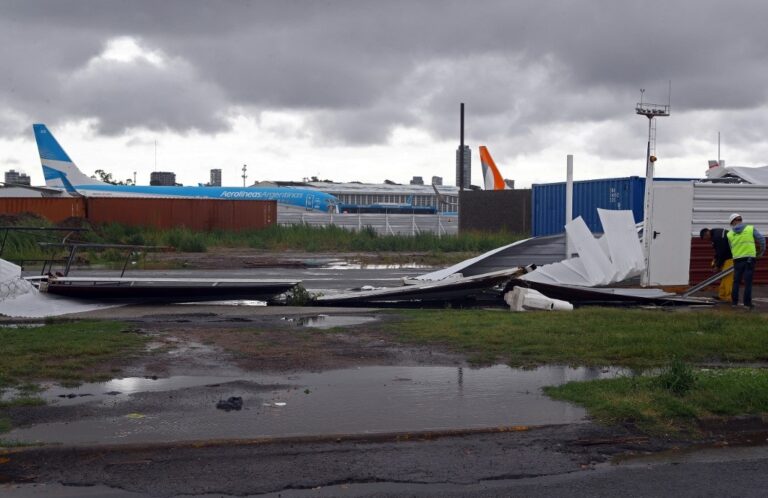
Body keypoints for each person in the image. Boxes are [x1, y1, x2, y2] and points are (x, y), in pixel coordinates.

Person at [726, 213, 766, 309]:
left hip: (737, 259)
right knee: (748, 282)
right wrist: (760, 253)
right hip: (749, 259)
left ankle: (734, 303)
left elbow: (731, 248)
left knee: (736, 282)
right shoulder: (750, 228)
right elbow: (762, 240)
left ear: (732, 223)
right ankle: (747, 304)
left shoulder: (729, 234)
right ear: (740, 220)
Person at [699, 227, 733, 301]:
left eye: (706, 239)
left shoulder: (718, 237)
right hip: (727, 256)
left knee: (728, 278)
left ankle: (729, 297)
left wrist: (717, 265)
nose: (707, 240)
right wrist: (715, 261)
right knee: (724, 277)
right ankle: (722, 295)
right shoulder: (715, 234)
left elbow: (722, 253)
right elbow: (718, 252)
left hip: (731, 257)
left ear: (707, 234)